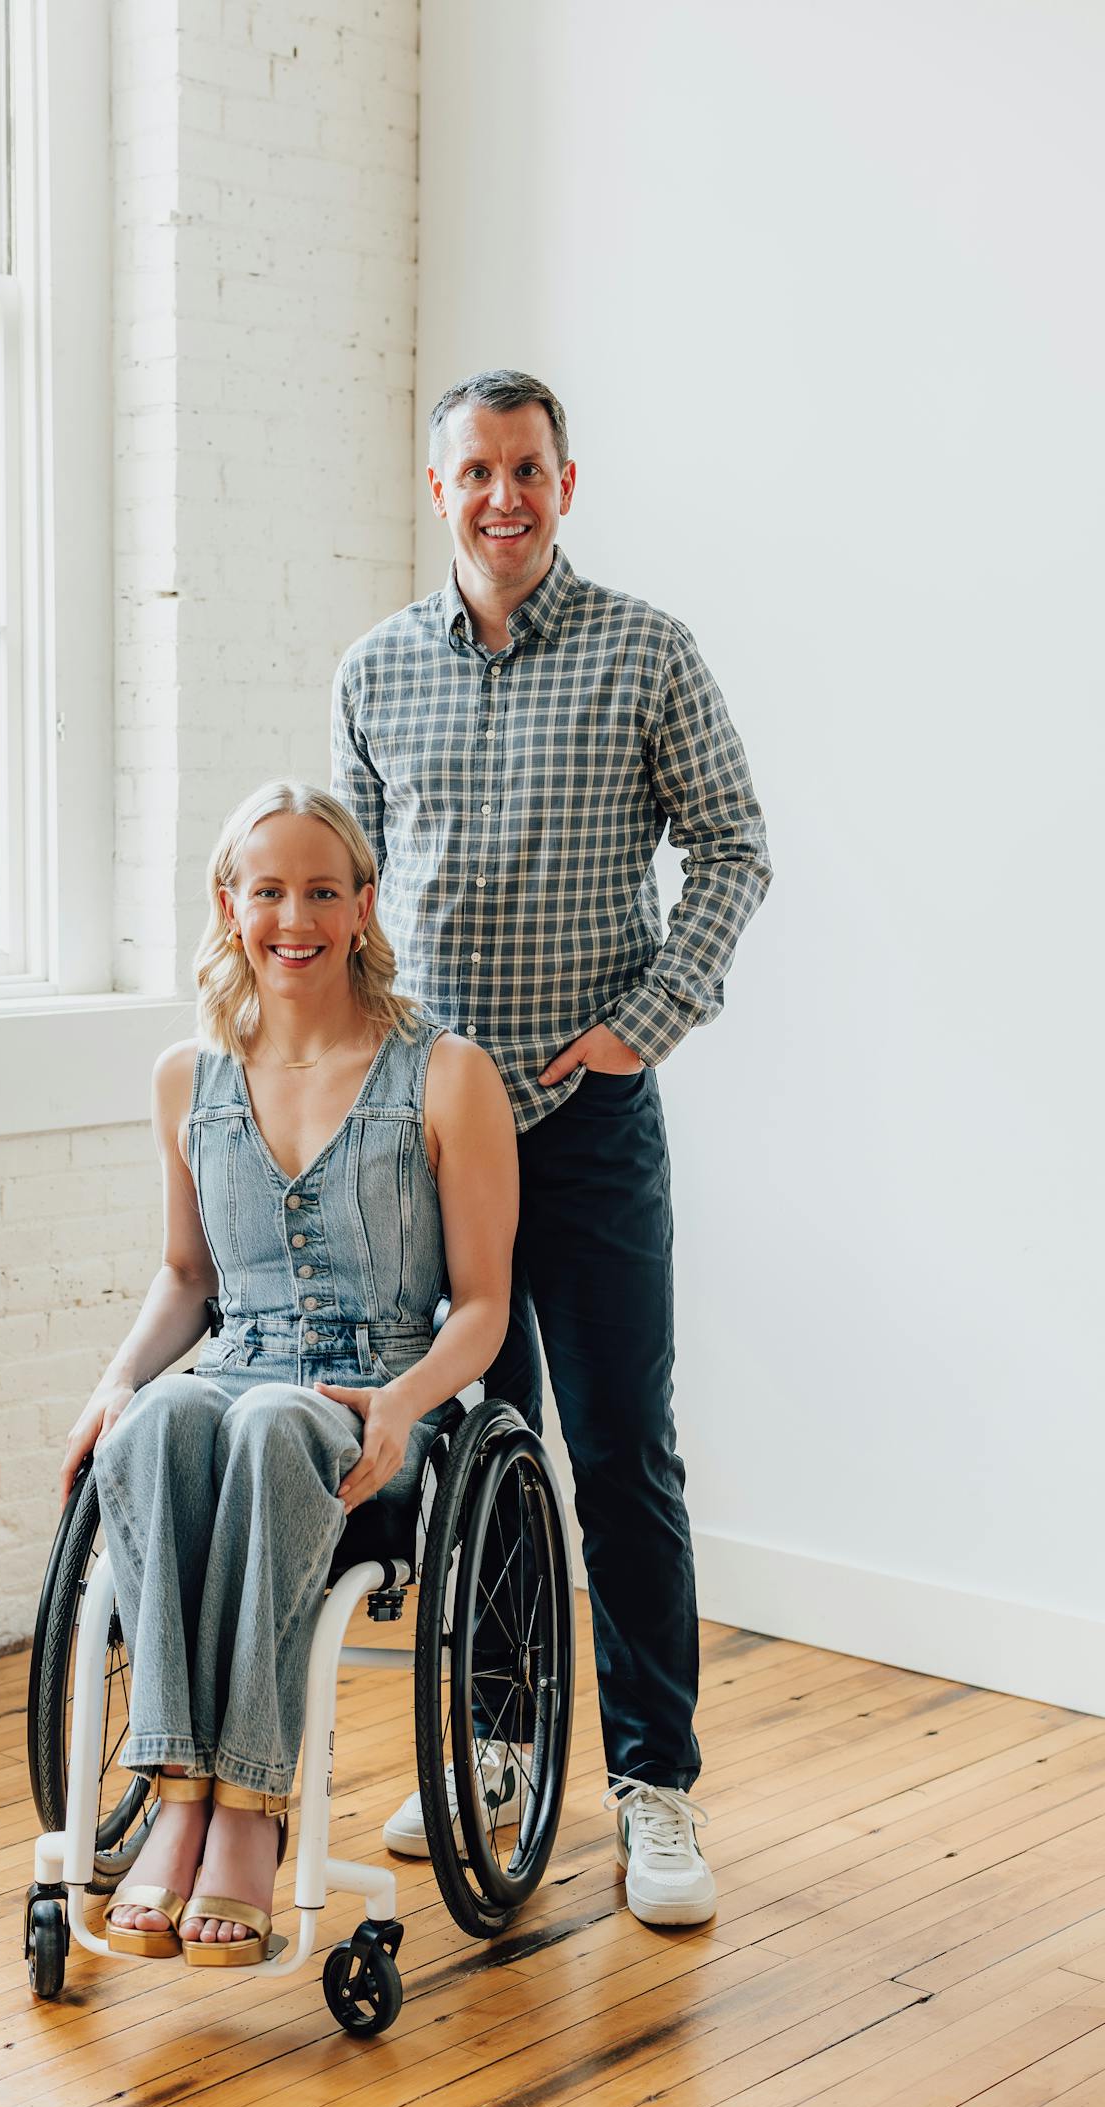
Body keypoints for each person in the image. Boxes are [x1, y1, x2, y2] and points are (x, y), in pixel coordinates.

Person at [332, 369, 773, 1927]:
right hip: (437, 1140)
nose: (502, 497)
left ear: (565, 486)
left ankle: (658, 1787)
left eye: (528, 470)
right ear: (435, 487)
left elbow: (734, 844)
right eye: (475, 473)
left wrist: (647, 1022)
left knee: (619, 1460)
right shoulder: (374, 672)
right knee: (472, 1457)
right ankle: (503, 1752)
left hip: (587, 1133)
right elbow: (358, 908)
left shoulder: (648, 652)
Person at [59, 781, 517, 1966]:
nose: (294, 916)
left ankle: (249, 1812)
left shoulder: (446, 1073)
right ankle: (178, 1794)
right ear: (230, 905)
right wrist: (114, 1386)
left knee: (270, 1423)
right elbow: (184, 1278)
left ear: (363, 905)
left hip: (379, 1396)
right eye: (269, 891)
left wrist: (403, 1404)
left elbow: (480, 1311)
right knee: (157, 1427)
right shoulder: (187, 1076)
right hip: (239, 1378)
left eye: (322, 890)